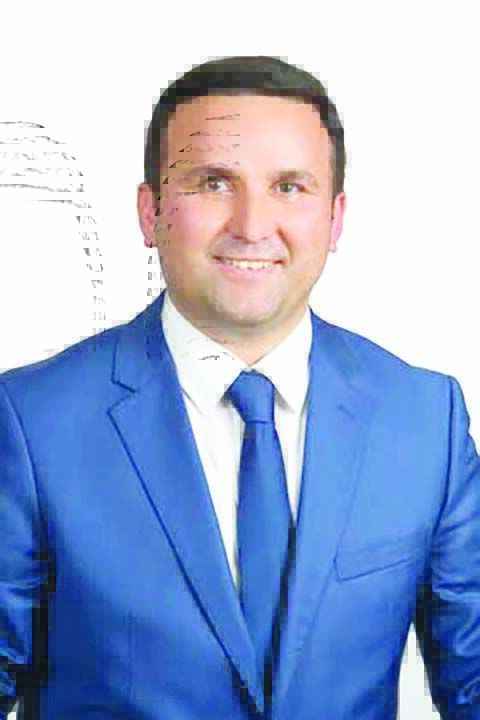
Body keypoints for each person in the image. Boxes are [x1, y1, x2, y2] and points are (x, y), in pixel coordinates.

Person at [1, 55, 479, 720]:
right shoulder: (31, 421)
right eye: (213, 183)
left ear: (335, 218)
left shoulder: (424, 418)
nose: (252, 226)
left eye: (290, 187)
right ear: (150, 212)